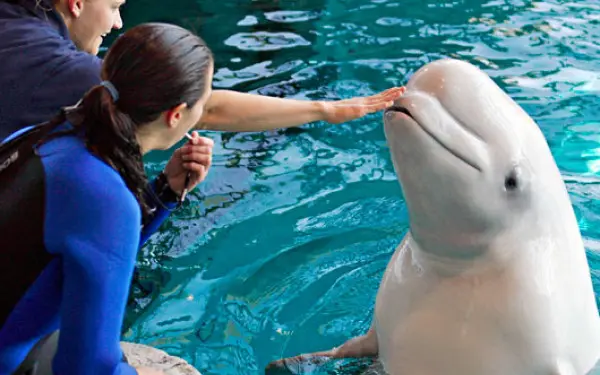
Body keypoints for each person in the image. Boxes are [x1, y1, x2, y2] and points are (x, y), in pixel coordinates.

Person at [0, 0, 405, 245]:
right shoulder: (70, 76)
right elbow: (207, 108)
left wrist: (166, 191)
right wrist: (326, 110)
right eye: (115, 8)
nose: (117, 24)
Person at [0, 22, 215, 375]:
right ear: (176, 115)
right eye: (204, 101)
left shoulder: (48, 133)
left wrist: (166, 191)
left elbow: (77, 237)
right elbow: (86, 367)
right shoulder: (105, 198)